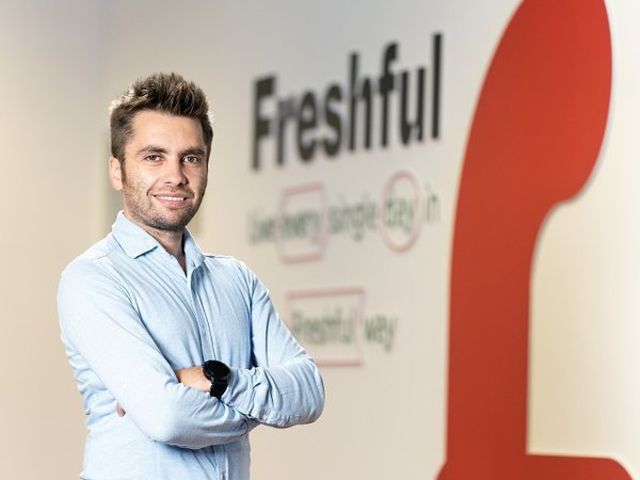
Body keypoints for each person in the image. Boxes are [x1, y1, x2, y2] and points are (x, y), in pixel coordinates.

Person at [57, 72, 325, 480]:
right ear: (117, 170)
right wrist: (261, 408)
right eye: (153, 157)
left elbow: (309, 392)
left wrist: (219, 381)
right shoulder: (93, 279)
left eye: (191, 158)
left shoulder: (238, 280)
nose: (176, 176)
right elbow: (169, 418)